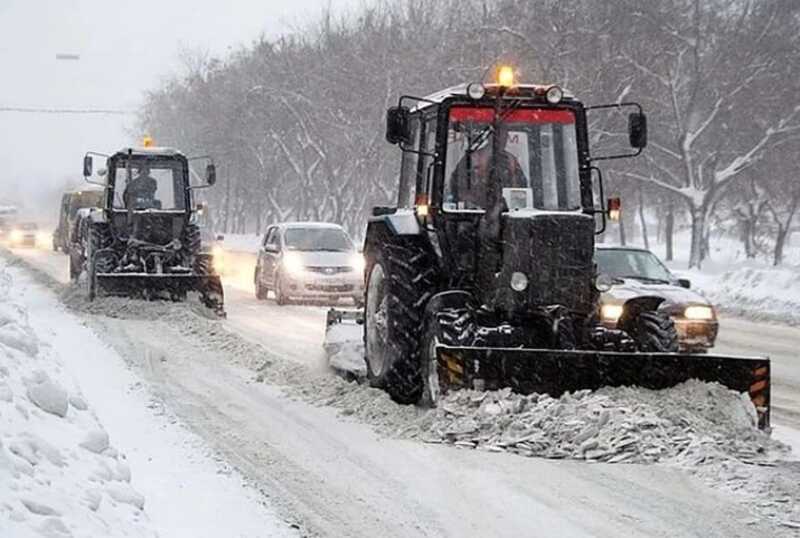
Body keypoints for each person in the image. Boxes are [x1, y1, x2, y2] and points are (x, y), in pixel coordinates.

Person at [449, 124, 527, 209]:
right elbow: (457, 187)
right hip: (476, 213)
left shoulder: (512, 161)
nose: (502, 139)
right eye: (499, 135)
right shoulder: (473, 159)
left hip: (505, 212)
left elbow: (522, 189)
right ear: (490, 138)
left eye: (505, 135)